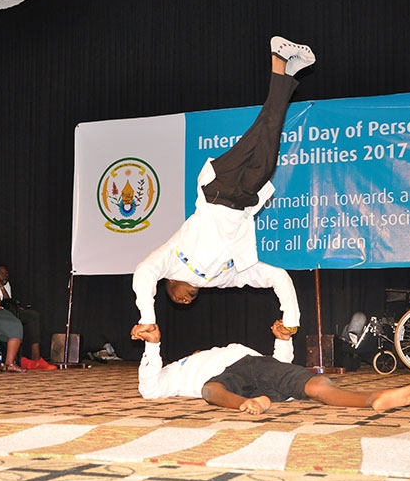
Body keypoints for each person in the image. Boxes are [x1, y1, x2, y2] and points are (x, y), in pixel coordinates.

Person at [130, 36, 314, 344]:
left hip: (217, 188)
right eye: (185, 305)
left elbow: (143, 272)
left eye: (176, 299)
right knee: (268, 136)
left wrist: (148, 319)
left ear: (170, 283)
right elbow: (278, 277)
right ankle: (284, 66)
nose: (184, 301)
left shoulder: (172, 260)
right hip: (243, 199)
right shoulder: (227, 278)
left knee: (260, 135)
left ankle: (282, 64)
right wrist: (291, 321)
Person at [138, 319, 410, 414]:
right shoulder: (171, 372)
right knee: (209, 389)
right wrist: (152, 345)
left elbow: (278, 366)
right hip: (229, 378)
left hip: (258, 365)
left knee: (314, 383)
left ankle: (372, 400)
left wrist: (282, 341)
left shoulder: (221, 351)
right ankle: (245, 404)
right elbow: (149, 389)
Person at [0, 263, 56, 370]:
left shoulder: (6, 284)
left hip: (9, 311)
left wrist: (17, 308)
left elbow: (8, 300)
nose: (5, 276)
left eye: (7, 274)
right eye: (2, 274)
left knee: (33, 315)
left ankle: (36, 358)